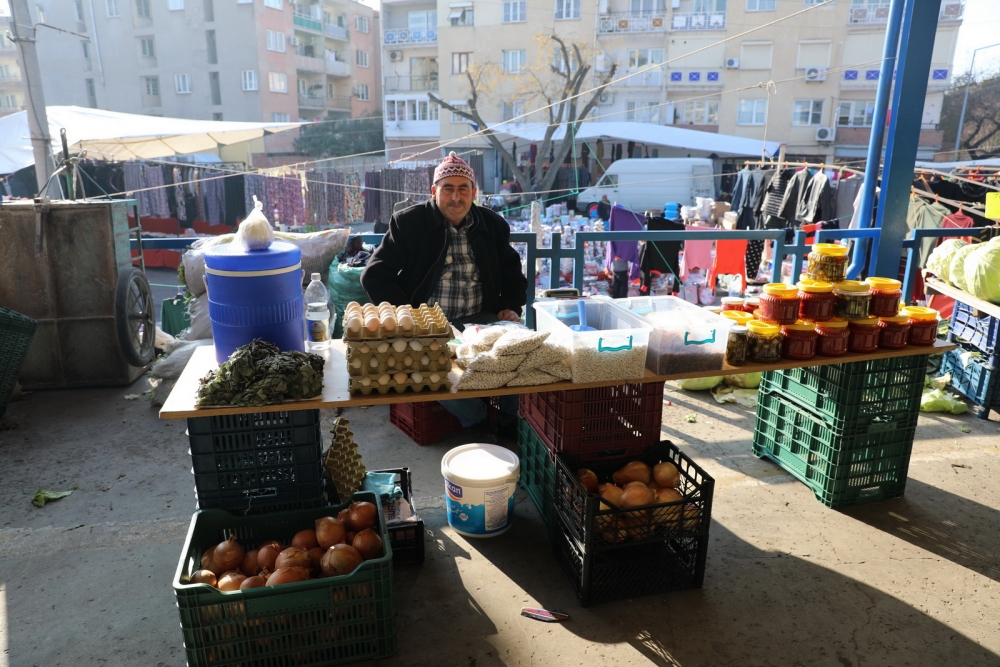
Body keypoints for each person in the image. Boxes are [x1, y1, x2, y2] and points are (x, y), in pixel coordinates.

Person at [361, 152, 527, 436]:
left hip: (481, 316)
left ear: (474, 193)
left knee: (520, 346)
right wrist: (409, 315)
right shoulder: (409, 222)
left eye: (463, 189)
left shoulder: (492, 225)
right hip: (431, 321)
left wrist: (511, 307)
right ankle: (477, 420)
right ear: (434, 191)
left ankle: (510, 420)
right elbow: (374, 275)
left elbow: (512, 271)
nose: (455, 197)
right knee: (420, 363)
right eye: (447, 188)